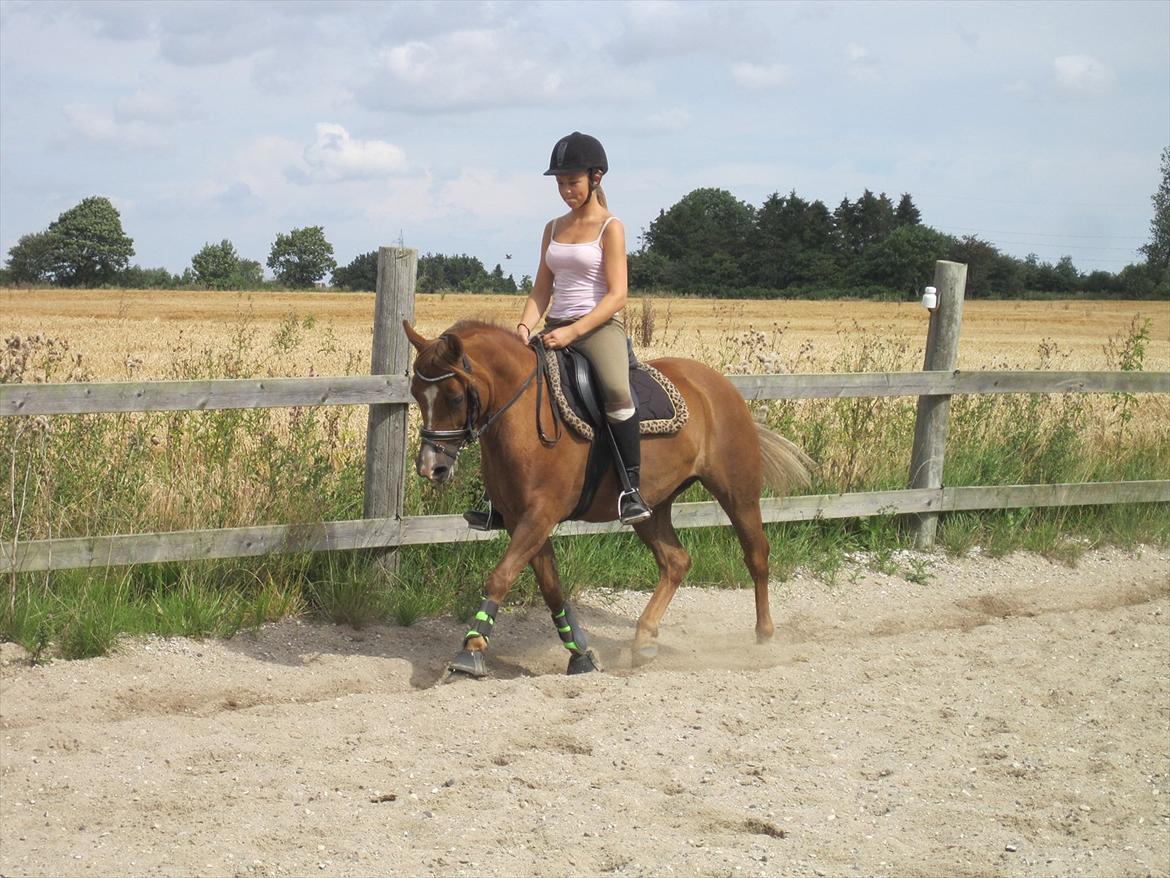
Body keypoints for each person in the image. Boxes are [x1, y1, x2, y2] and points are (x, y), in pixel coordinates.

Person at [514, 131, 652, 525]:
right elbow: (542, 289)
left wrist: (573, 334)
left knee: (615, 389)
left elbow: (617, 295)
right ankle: (499, 497)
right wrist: (525, 327)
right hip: (554, 325)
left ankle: (630, 489)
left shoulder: (611, 227)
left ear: (595, 178)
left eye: (571, 182)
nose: (565, 191)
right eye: (560, 183)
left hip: (598, 328)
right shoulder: (552, 228)